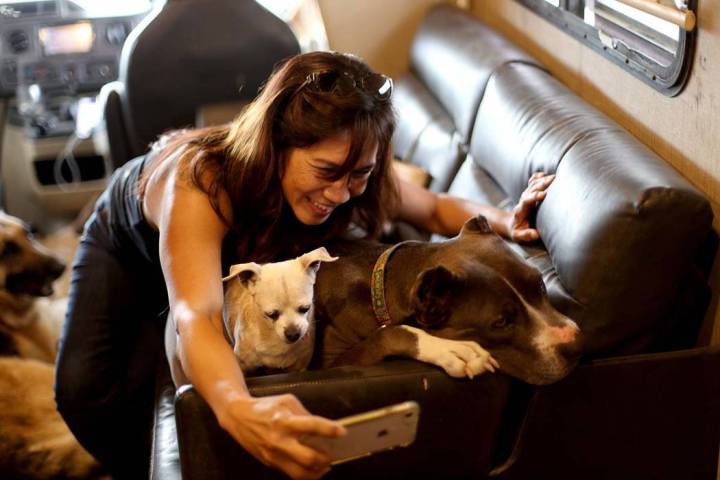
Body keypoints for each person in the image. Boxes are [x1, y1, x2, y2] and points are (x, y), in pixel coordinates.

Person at [55, 51, 554, 480]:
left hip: (225, 258)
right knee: (85, 394)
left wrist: (507, 219)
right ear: (275, 147)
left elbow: (435, 208)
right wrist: (237, 409)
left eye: (358, 174)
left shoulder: (354, 170)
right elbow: (197, 316)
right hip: (129, 245)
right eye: (327, 172)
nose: (340, 194)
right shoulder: (203, 180)